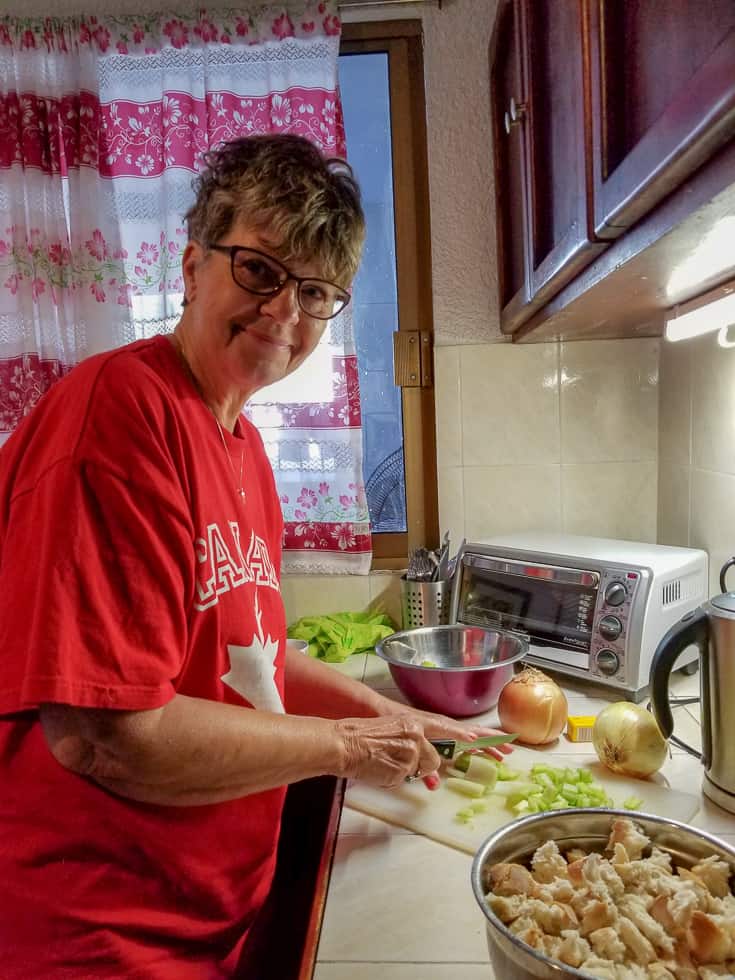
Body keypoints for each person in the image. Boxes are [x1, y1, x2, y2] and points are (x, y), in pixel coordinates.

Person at [0, 134, 512, 978]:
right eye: (260, 272)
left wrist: (388, 716)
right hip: (98, 939)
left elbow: (254, 666)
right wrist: (345, 747)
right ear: (194, 263)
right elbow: (105, 738)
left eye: (315, 292)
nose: (285, 313)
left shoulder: (240, 443)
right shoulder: (118, 416)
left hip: (207, 921)